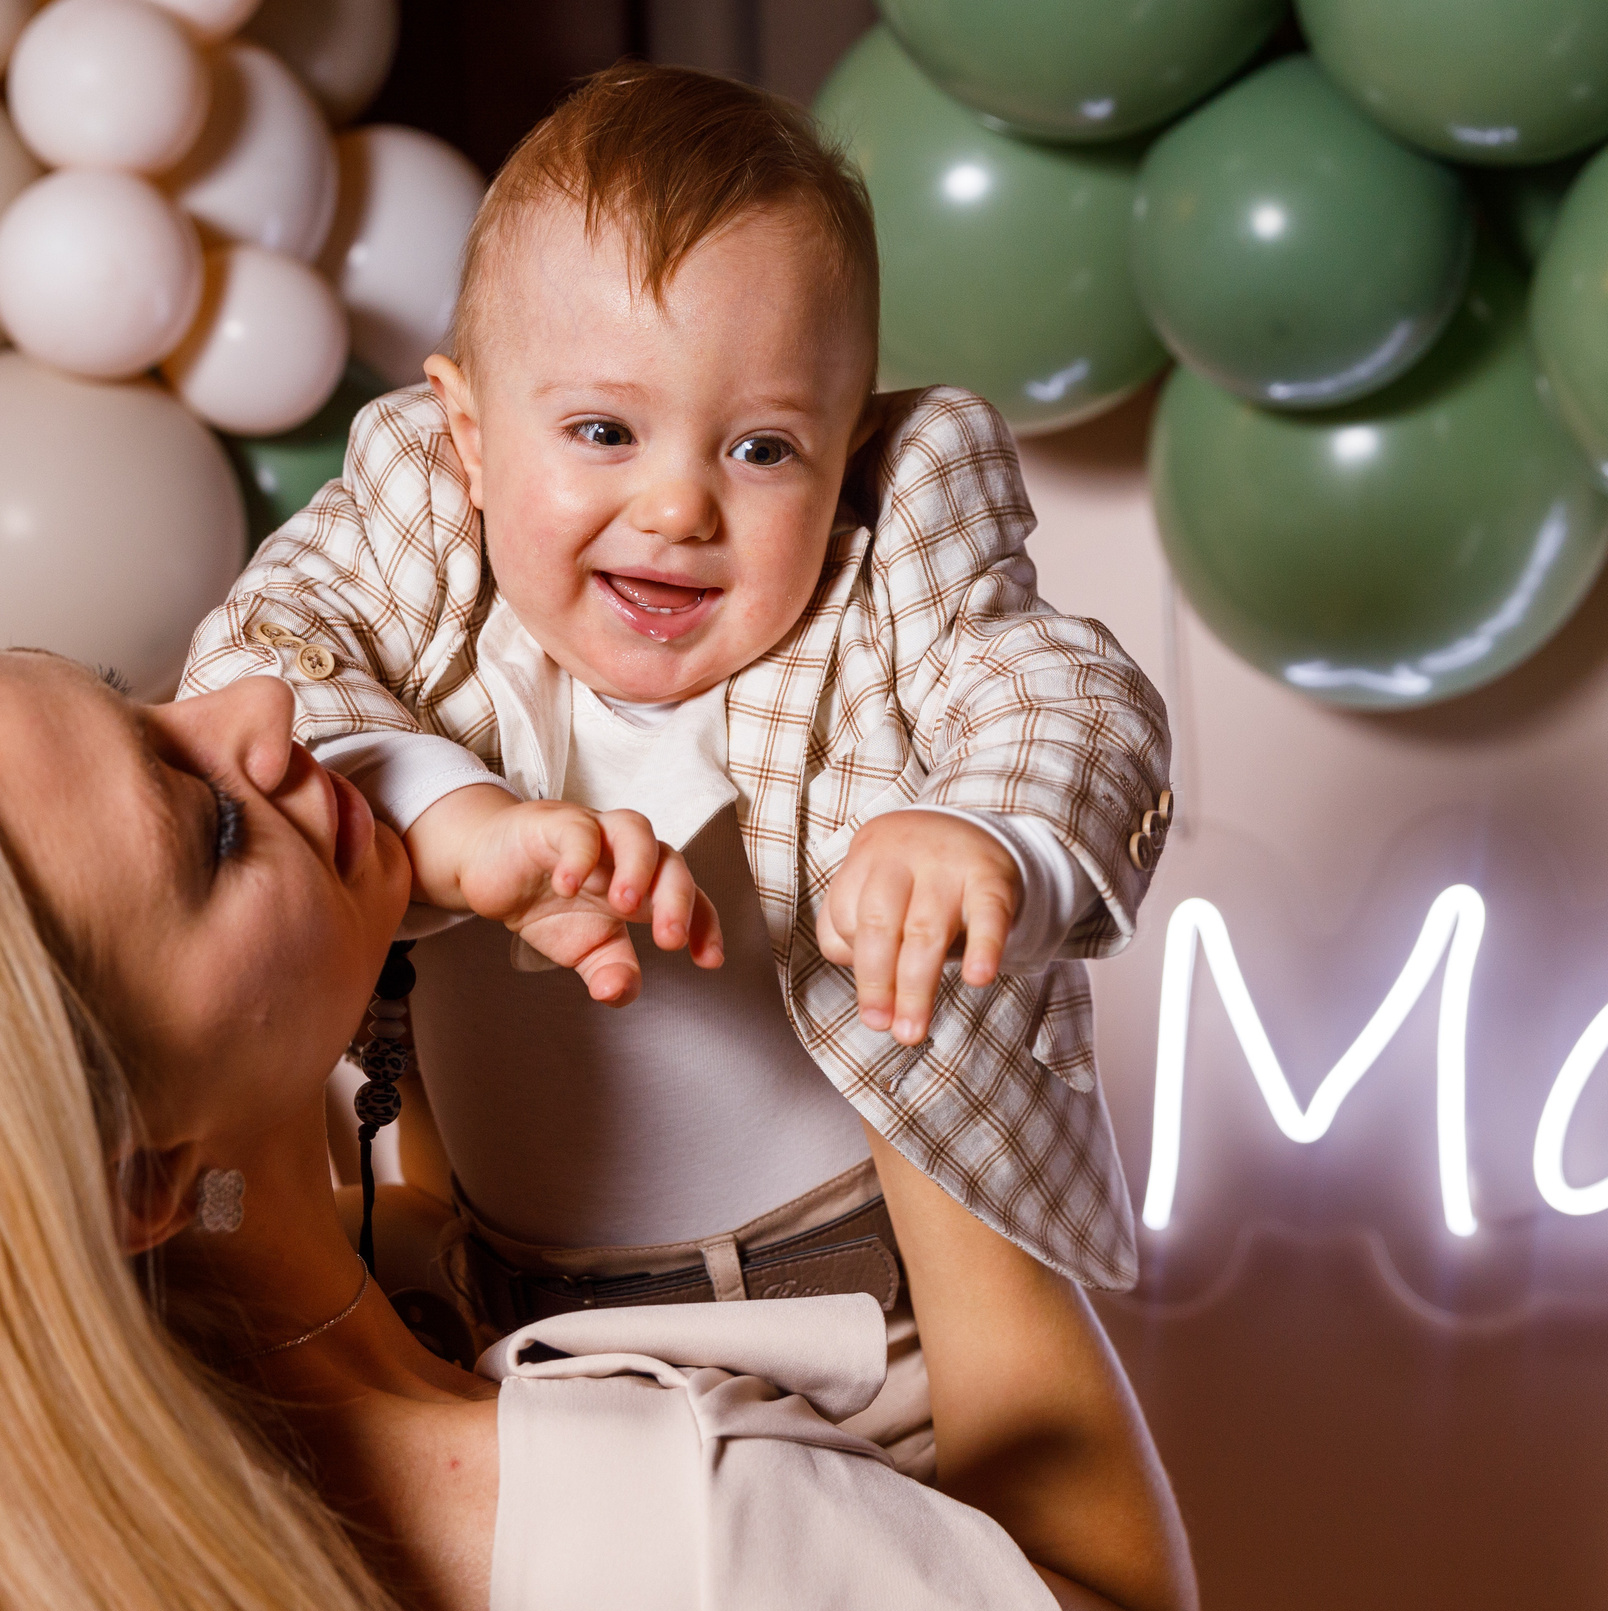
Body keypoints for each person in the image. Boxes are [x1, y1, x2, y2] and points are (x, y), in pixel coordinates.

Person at [0, 639, 1197, 1611]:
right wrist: (912, 1039)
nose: (258, 717)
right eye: (198, 828)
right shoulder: (651, 1533)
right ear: (128, 1180)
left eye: (135, 701)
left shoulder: (57, 1532)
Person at [177, 65, 1175, 1471]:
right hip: (516, 1342)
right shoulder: (417, 550)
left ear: (846, 461)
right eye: (602, 431)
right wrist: (456, 827)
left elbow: (1068, 697)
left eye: (764, 448)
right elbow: (253, 680)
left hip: (866, 1351)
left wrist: (984, 832)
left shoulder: (885, 573)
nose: (678, 505)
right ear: (468, 435)